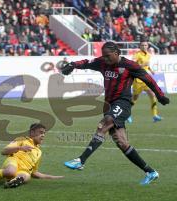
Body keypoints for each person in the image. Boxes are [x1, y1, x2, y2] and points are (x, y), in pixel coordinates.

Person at [60, 42, 169, 185]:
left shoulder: (130, 66)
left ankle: (81, 160)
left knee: (104, 124)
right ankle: (150, 172)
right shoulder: (102, 62)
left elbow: (148, 79)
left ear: (117, 53)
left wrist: (160, 96)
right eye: (103, 56)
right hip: (109, 104)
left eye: (108, 56)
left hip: (122, 103)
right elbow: (87, 62)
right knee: (122, 142)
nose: (105, 58)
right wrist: (73, 65)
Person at [0, 123, 64, 188]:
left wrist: (51, 177)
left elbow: (34, 172)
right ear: (32, 132)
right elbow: (4, 151)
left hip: (23, 171)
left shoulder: (39, 152)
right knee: (11, 171)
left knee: (27, 176)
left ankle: (12, 182)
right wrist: (20, 148)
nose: (43, 135)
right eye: (40, 133)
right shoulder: (22, 140)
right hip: (13, 161)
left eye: (44, 133)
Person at [128, 40, 162, 123]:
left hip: (146, 79)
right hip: (138, 80)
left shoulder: (148, 55)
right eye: (142, 45)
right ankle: (127, 115)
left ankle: (155, 115)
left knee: (153, 95)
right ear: (140, 46)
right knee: (134, 99)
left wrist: (151, 70)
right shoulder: (137, 55)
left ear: (148, 46)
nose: (144, 46)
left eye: (145, 45)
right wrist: (142, 65)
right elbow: (132, 65)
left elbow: (147, 65)